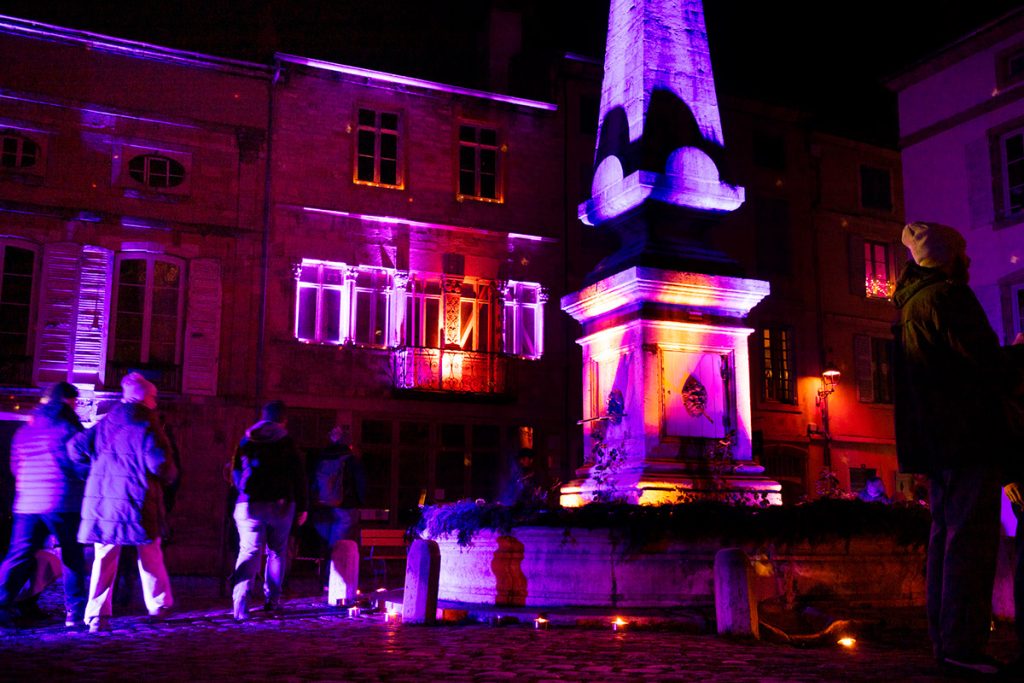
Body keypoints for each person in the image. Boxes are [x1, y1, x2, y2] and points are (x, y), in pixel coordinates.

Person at [893, 221, 1016, 677]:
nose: (968, 260)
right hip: (967, 437)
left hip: (937, 443)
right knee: (970, 542)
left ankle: (945, 642)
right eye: (962, 253)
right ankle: (963, 644)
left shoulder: (911, 306)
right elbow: (984, 364)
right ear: (947, 257)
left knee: (945, 538)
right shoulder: (948, 297)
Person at [69, 372, 177, 633]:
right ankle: (158, 605)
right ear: (146, 399)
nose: (155, 402)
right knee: (149, 552)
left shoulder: (106, 422)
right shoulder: (147, 424)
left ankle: (96, 616)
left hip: (104, 502)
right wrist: (169, 476)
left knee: (104, 557)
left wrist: (93, 473)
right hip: (137, 500)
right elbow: (159, 463)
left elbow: (75, 447)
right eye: (153, 397)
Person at [0, 382, 87, 630]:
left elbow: (15, 467)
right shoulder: (67, 426)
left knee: (18, 555)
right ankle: (75, 612)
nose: (76, 406)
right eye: (74, 401)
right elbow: (74, 464)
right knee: (72, 556)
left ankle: (2, 603)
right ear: (67, 401)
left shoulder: (24, 429)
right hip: (61, 500)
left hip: (26, 502)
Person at [230, 400, 308, 620]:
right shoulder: (287, 442)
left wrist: (243, 494)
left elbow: (236, 472)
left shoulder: (246, 439)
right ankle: (272, 600)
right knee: (276, 551)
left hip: (249, 504)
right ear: (283, 419)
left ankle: (240, 604)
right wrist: (303, 506)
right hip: (280, 504)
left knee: (248, 551)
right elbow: (298, 476)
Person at [308, 425, 366, 591]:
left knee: (327, 547)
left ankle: (324, 582)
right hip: (345, 508)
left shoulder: (321, 456)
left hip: (322, 508)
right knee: (341, 546)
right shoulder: (352, 459)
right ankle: (334, 583)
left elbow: (312, 482)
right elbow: (361, 483)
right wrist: (359, 503)